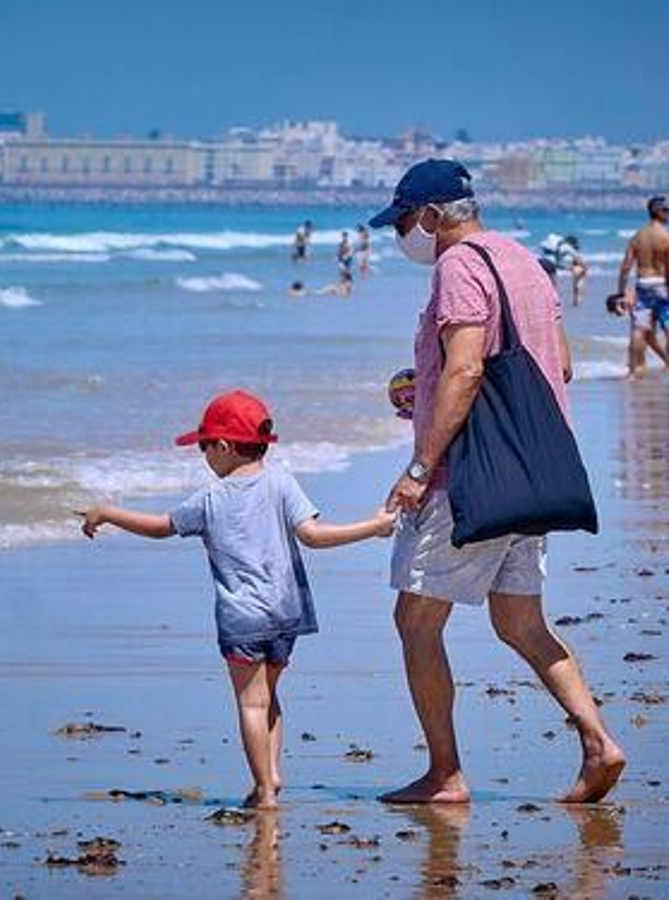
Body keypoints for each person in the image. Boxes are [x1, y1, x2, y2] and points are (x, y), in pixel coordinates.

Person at [366, 159, 624, 805]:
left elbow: (466, 370)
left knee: (416, 622)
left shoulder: (458, 266)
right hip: (529, 479)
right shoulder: (523, 260)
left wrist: (420, 467)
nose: (402, 234)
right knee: (520, 623)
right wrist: (423, 390)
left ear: (430, 215)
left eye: (403, 220)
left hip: (469, 482)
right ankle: (599, 743)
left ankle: (445, 774)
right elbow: (558, 364)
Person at [75, 390, 395, 810]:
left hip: (242, 618)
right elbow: (314, 537)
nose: (204, 456)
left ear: (223, 447)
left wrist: (108, 512)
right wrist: (373, 527)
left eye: (205, 447)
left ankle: (263, 790)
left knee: (250, 702)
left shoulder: (210, 498)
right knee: (269, 697)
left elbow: (159, 527)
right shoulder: (282, 482)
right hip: (286, 612)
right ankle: (273, 775)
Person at [616, 196, 669, 381]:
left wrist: (621, 292)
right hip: (662, 286)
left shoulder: (638, 236)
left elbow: (625, 267)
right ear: (658, 211)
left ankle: (633, 371)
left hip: (643, 285)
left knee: (638, 329)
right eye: (666, 210)